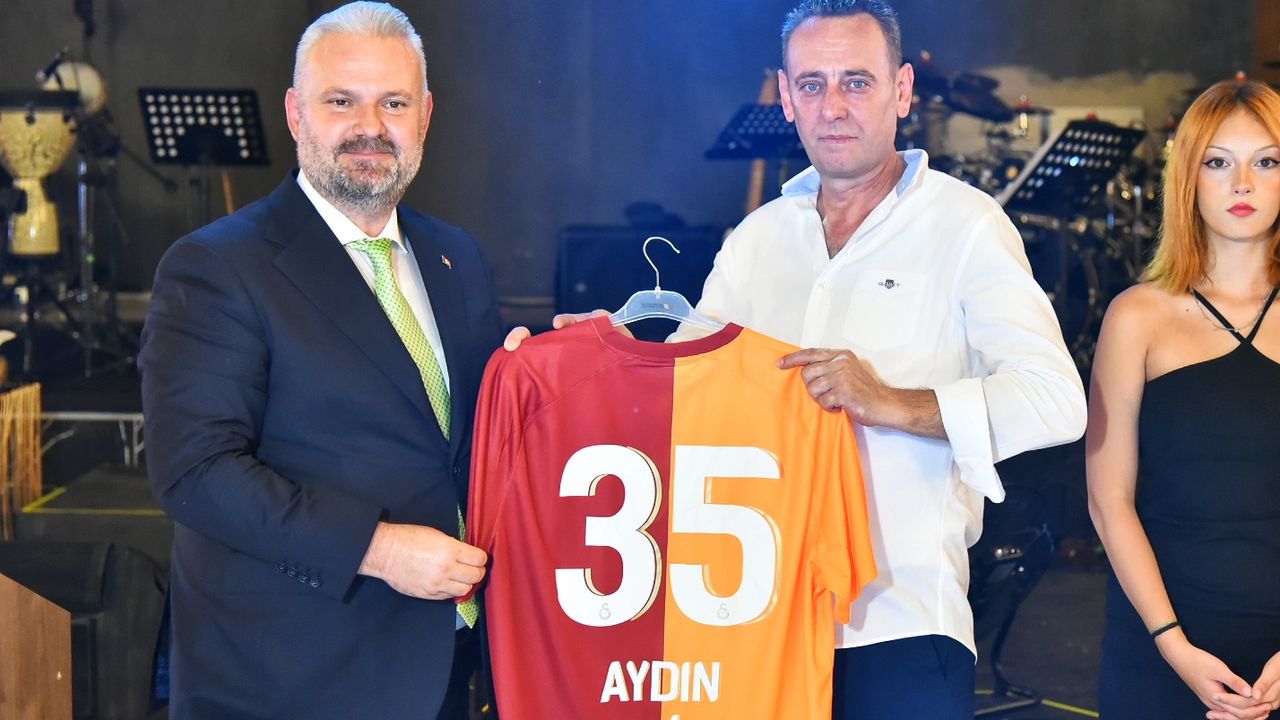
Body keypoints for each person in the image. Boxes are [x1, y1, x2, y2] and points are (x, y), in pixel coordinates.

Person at [506, 1, 1085, 717]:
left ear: (902, 89)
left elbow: (1057, 401)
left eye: (857, 82)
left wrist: (893, 403)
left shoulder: (966, 226)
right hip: (751, 625)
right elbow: (682, 397)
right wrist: (590, 359)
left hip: (898, 621)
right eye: (812, 84)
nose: (833, 106)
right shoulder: (758, 238)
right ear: (785, 96)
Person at [139, 3, 503, 718]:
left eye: (393, 102)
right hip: (287, 682)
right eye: (341, 101)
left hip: (445, 670)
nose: (371, 126)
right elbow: (195, 472)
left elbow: (474, 431)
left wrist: (554, 363)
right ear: (295, 113)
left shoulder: (458, 257)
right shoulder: (216, 266)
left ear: (425, 116)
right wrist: (378, 549)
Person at [1087, 79, 1280, 720]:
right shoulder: (1136, 317)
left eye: (1266, 161)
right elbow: (1108, 500)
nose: (1243, 183)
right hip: (1161, 648)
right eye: (1218, 163)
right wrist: (1174, 646)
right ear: (1188, 179)